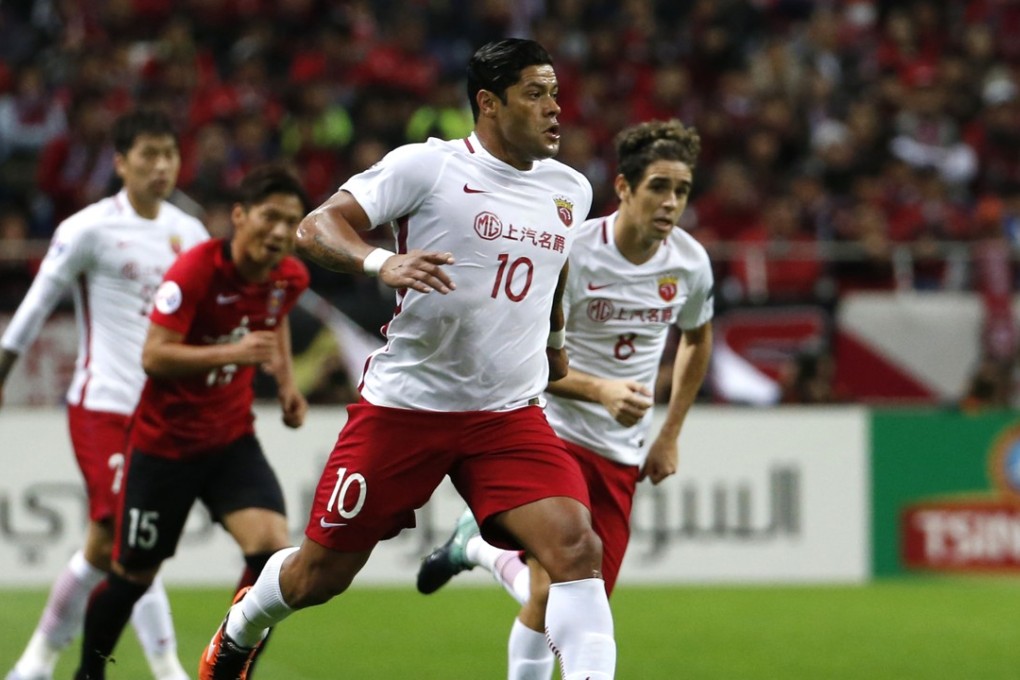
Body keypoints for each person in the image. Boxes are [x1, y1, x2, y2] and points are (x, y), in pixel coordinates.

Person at [198, 38, 618, 680]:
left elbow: (554, 268)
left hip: (506, 416)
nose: (554, 108)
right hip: (407, 409)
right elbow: (316, 227)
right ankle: (239, 629)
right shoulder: (429, 167)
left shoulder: (570, 190)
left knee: (576, 548)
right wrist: (381, 260)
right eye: (535, 93)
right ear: (489, 103)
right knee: (320, 575)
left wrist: (556, 343)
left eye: (556, 93)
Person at [416, 119, 714, 680]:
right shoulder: (573, 250)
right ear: (624, 188)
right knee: (559, 592)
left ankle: (478, 550)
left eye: (682, 190)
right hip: (553, 434)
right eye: (658, 187)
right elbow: (523, 352)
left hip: (620, 455)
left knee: (559, 603)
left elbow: (699, 337)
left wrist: (670, 433)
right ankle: (483, 552)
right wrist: (598, 388)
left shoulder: (690, 264)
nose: (671, 202)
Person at [72, 165, 311, 680]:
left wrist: (287, 385)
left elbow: (275, 319)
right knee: (132, 574)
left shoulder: (289, 277)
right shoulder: (194, 272)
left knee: (273, 553)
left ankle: (228, 667)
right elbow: (154, 357)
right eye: (270, 216)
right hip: (165, 445)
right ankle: (88, 673)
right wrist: (235, 352)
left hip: (230, 439)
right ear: (240, 216)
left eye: (291, 222)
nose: (279, 232)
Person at [1, 109, 208, 680]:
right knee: (130, 532)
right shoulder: (87, 229)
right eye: (148, 155)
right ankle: (167, 669)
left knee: (109, 543)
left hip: (163, 414)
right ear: (120, 162)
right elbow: (36, 306)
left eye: (169, 154)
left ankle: (36, 661)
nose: (162, 166)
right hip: (103, 403)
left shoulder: (189, 234)